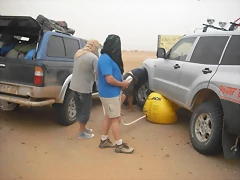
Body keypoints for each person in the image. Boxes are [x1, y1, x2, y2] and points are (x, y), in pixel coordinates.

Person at [98, 34, 134, 154]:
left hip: (111, 93)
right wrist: (122, 84)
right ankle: (119, 144)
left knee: (109, 116)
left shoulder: (107, 58)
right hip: (109, 94)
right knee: (115, 118)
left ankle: (104, 140)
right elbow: (109, 79)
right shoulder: (105, 58)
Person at [69, 39, 100, 140]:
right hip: (84, 88)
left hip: (74, 86)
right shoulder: (93, 57)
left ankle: (83, 128)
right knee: (85, 110)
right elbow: (97, 73)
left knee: (79, 108)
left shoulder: (78, 53)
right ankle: (81, 133)